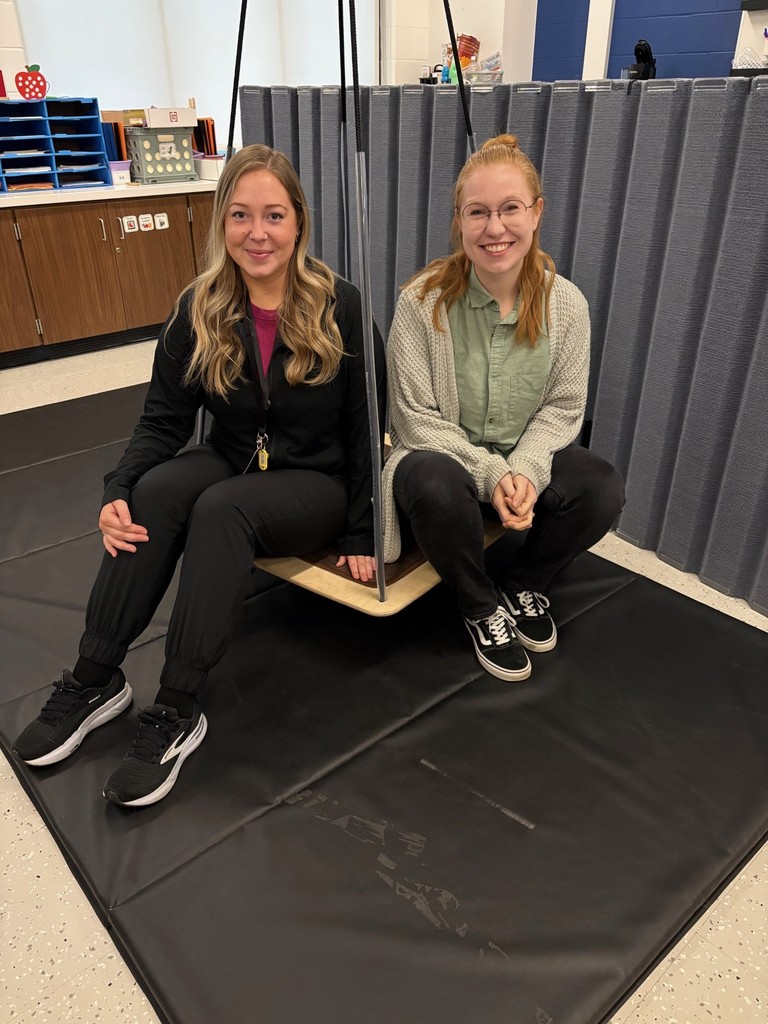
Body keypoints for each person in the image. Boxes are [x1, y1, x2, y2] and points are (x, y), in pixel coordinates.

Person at [13, 144, 385, 806]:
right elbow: (162, 422)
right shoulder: (200, 306)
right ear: (222, 223)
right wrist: (119, 490)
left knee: (222, 509)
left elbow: (366, 430)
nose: (257, 232)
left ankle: (177, 709)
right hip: (238, 454)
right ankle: (95, 677)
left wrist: (362, 531)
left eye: (273, 215)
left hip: (314, 483)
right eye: (240, 215)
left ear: (298, 221)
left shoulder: (342, 305)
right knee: (159, 491)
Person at [382, 134, 624, 682]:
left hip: (522, 468)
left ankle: (524, 585)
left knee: (602, 487)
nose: (495, 229)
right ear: (459, 221)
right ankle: (479, 604)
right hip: (444, 466)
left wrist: (525, 472)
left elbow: (564, 409)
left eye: (510, 208)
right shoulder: (420, 302)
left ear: (536, 213)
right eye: (478, 212)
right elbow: (415, 420)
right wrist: (493, 474)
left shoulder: (568, 305)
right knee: (434, 482)